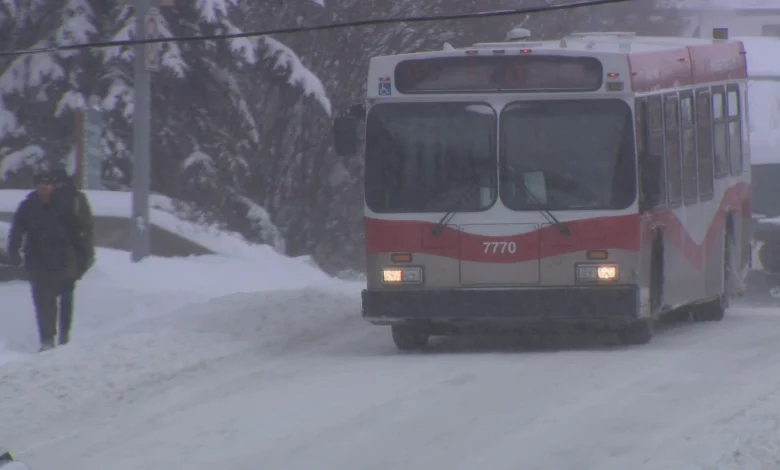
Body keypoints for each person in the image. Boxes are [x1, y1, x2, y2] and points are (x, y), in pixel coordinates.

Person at [6, 168, 95, 351]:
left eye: (47, 184)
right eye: (40, 184)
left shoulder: (65, 204)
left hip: (65, 260)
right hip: (38, 261)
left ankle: (64, 335)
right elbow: (17, 230)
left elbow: (82, 232)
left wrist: (85, 257)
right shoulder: (28, 206)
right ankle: (47, 339)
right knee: (43, 302)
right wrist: (14, 252)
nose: (44, 187)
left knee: (66, 300)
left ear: (54, 186)